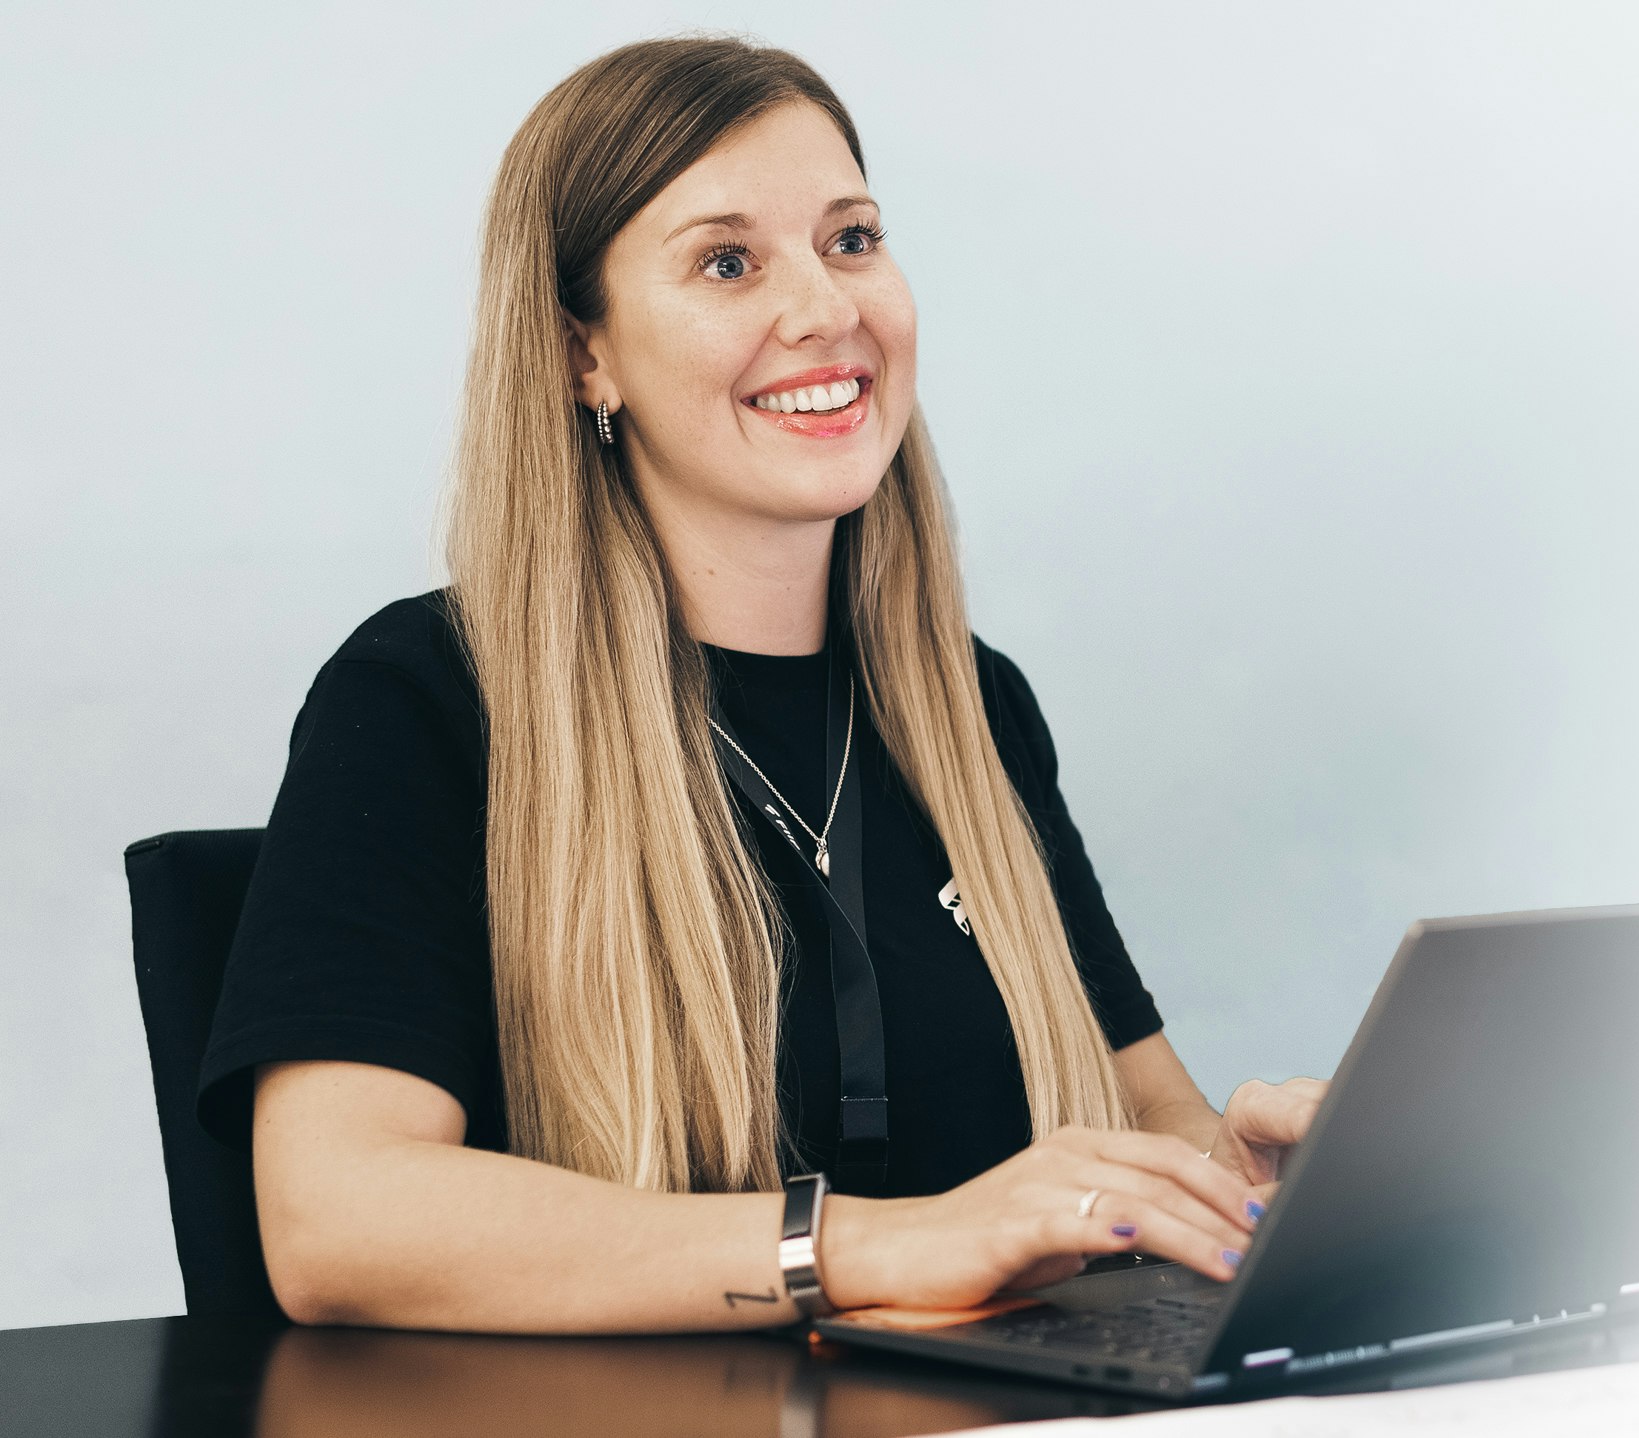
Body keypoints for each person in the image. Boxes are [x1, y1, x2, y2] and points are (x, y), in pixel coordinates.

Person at [202, 35, 1325, 1334]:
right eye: (728, 261)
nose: (827, 307)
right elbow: (338, 1218)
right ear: (584, 355)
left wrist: (1225, 1191)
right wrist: (870, 1245)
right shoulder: (423, 698)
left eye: (851, 239)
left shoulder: (975, 707)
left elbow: (1142, 1107)